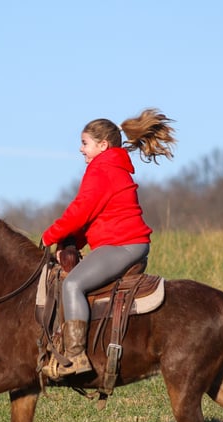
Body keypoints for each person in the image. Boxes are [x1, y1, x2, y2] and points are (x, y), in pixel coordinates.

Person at [41, 108, 176, 378]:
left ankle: (76, 357)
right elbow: (93, 217)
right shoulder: (111, 167)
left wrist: (49, 237)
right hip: (122, 244)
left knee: (72, 284)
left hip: (122, 246)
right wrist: (72, 242)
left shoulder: (101, 169)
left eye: (84, 143)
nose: (81, 149)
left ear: (103, 145)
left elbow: (79, 211)